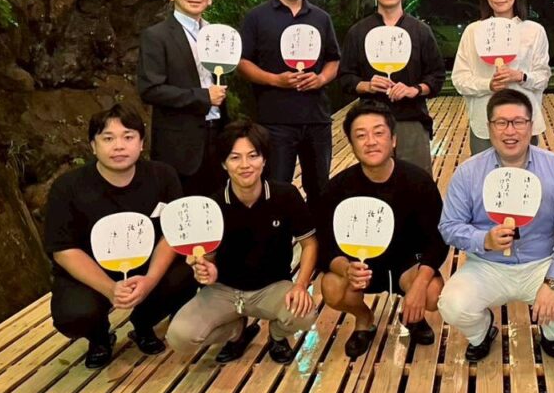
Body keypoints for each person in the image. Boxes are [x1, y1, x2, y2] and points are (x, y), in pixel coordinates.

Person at [438, 89, 554, 361]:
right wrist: (483, 239)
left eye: (518, 122)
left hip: (542, 262)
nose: (510, 131)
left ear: (531, 126)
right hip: (486, 264)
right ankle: (482, 332)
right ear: (489, 127)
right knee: (452, 305)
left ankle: (551, 333)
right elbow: (449, 226)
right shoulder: (468, 172)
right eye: (501, 122)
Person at [43, 104, 196, 369]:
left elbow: (173, 234)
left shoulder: (163, 176)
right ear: (93, 146)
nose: (119, 146)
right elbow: (64, 250)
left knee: (187, 274)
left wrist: (149, 281)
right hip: (92, 272)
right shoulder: (68, 187)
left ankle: (144, 324)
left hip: (145, 267)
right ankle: (100, 337)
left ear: (141, 143)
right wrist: (110, 288)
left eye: (128, 137)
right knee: (73, 313)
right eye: (108, 138)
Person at [166, 120, 319, 364]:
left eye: (253, 155)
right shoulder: (212, 206)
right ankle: (237, 332)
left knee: (304, 313)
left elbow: (309, 243)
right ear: (224, 163)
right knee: (180, 337)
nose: (245, 165)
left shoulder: (285, 195)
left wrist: (300, 285)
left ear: (264, 160)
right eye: (235, 157)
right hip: (223, 290)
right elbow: (207, 258)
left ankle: (277, 335)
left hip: (272, 288)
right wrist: (205, 267)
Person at [317, 101, 447, 358]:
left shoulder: (418, 182)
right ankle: (364, 319)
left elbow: (438, 240)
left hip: (407, 267)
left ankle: (413, 315)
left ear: (393, 140)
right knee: (331, 286)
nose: (371, 142)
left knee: (433, 292)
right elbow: (326, 245)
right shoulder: (337, 188)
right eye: (361, 135)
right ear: (351, 144)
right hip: (361, 267)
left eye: (378, 133)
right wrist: (345, 268)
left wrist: (419, 285)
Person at [238, 0, 340, 201]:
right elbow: (242, 62)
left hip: (316, 119)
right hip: (274, 120)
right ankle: (277, 229)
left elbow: (333, 60)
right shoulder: (256, 17)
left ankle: (318, 228)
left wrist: (321, 79)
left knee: (320, 187)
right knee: (275, 187)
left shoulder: (321, 18)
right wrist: (274, 80)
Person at [338, 0, 446, 173]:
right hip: (371, 122)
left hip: (412, 121)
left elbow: (436, 76)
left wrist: (414, 90)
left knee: (416, 182)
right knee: (375, 184)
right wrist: (367, 86)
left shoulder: (420, 31)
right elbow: (345, 77)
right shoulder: (358, 32)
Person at [137, 0, 228, 197]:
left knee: (218, 208)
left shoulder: (217, 34)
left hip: (218, 136)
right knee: (183, 210)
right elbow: (150, 89)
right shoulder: (156, 36)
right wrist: (203, 97)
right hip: (179, 146)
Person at [452, 0, 551, 155]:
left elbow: (543, 77)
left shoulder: (534, 31)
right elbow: (459, 79)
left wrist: (520, 76)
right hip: (484, 123)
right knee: (485, 173)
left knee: (524, 172)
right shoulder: (473, 32)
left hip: (524, 122)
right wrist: (488, 84)